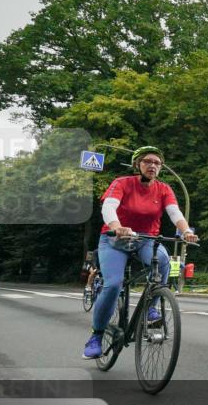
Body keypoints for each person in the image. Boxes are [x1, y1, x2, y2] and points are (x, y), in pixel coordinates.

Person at [83, 146, 199, 359]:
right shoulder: (122, 183)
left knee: (163, 261)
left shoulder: (164, 189)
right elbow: (108, 207)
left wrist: (185, 231)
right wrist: (117, 226)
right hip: (114, 239)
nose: (153, 165)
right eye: (148, 161)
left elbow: (175, 213)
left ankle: (151, 309)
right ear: (138, 164)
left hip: (145, 238)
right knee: (113, 284)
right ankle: (96, 335)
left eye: (157, 163)